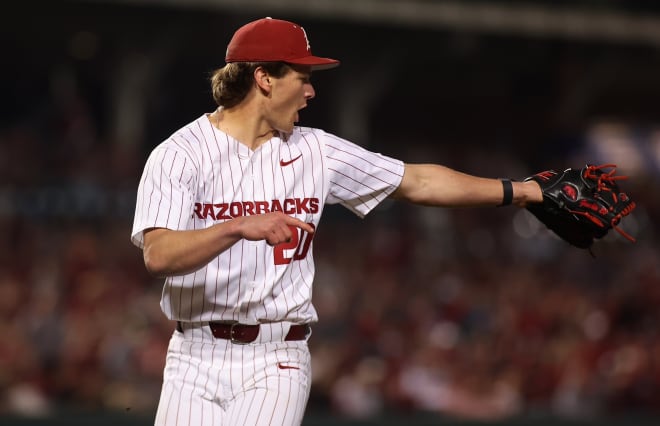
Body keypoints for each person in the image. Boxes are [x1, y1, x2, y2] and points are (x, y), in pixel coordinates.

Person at [131, 17, 543, 426]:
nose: (310, 91)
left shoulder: (317, 151)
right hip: (193, 356)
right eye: (302, 76)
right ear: (264, 79)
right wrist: (236, 226)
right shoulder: (179, 154)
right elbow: (158, 255)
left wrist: (520, 191)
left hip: (276, 358)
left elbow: (418, 181)